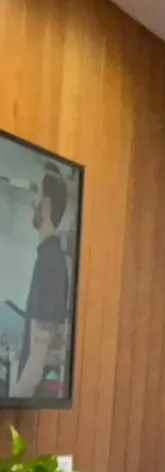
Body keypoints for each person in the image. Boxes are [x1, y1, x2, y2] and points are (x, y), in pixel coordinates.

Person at [15, 165, 71, 399]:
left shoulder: (50, 264)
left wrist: (12, 404)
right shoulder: (50, 259)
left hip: (30, 409)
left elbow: (37, 363)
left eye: (37, 193)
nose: (32, 201)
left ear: (45, 205)